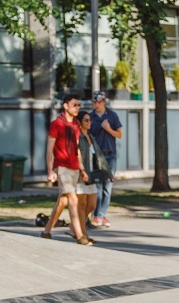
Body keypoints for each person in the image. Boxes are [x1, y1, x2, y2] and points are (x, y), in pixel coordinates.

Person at [40, 92, 91, 245]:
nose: (77, 108)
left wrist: (82, 168)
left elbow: (77, 148)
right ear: (65, 105)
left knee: (63, 201)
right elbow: (50, 149)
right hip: (62, 167)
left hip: (74, 166)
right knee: (73, 199)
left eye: (78, 105)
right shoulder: (57, 124)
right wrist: (50, 170)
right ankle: (80, 236)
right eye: (74, 105)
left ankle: (46, 231)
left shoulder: (76, 124)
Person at [88, 90, 122, 228]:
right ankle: (98, 215)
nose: (97, 104)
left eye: (99, 101)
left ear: (104, 102)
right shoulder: (90, 117)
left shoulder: (112, 116)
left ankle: (100, 215)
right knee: (98, 185)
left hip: (110, 154)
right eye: (95, 102)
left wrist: (107, 128)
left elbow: (119, 135)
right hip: (97, 154)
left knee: (108, 185)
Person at [75, 110, 99, 244]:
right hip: (81, 174)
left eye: (90, 120)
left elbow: (98, 156)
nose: (89, 122)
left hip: (92, 174)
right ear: (79, 122)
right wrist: (81, 170)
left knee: (92, 204)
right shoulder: (78, 137)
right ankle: (83, 234)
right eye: (86, 120)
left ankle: (76, 226)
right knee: (82, 205)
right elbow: (77, 155)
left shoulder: (90, 136)